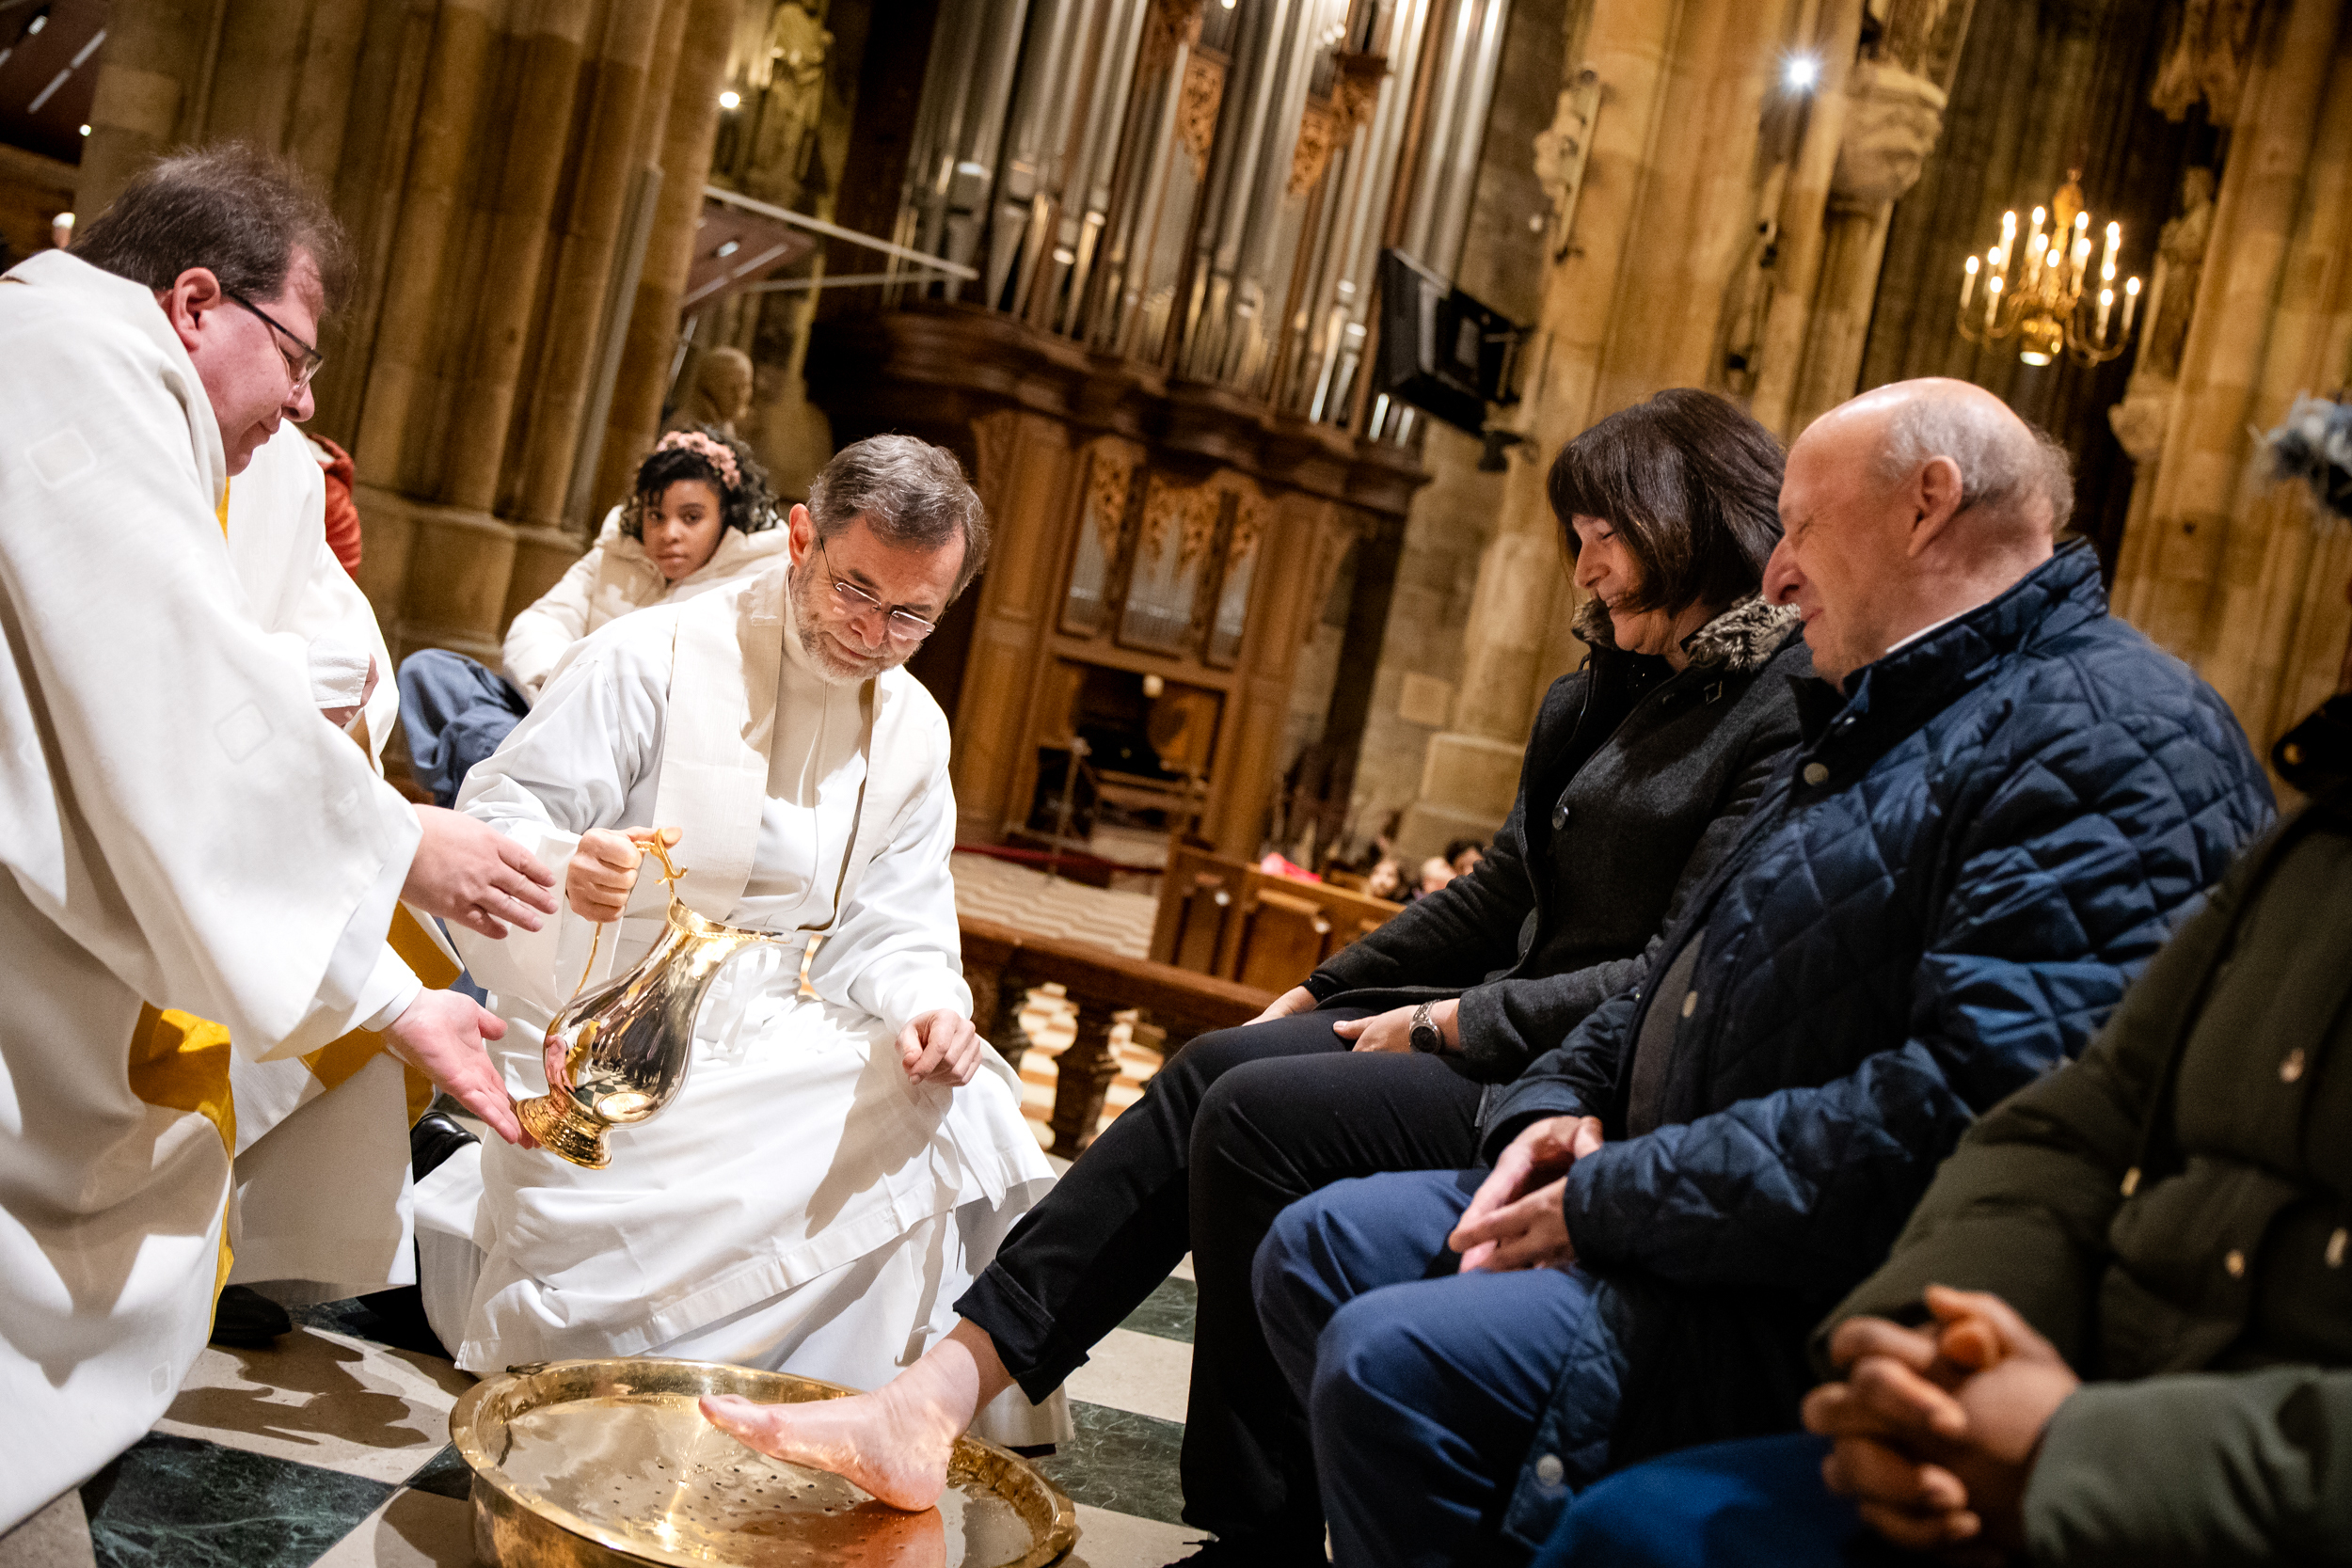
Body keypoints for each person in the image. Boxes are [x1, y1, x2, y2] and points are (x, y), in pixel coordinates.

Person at [693, 388, 1815, 1557]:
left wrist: (1451, 1021)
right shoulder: (1595, 690)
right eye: (1574, 537)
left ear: (1684, 517)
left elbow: (1668, 968)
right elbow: (1495, 894)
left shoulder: (1780, 707)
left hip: (1577, 1070)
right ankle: (938, 1393)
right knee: (1212, 1067)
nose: (1582, 569)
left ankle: (1255, 1530)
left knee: (1253, 1119)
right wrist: (1328, 985)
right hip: (1502, 1024)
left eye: (1603, 535)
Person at [1249, 378, 2276, 1566]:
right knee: (1318, 1246)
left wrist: (1614, 1197)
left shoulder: (2111, 735)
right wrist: (1556, 1103)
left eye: (1800, 527)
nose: (1775, 574)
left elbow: (1964, 1105)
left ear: (1926, 505)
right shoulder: (1875, 702)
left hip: (1799, 1278)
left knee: (1390, 1360)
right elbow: (1678, 956)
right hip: (1668, 1186)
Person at [0, 146, 546, 1556]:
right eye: (297, 355)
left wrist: (387, 976)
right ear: (195, 302)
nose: (306, 400)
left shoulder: (62, 350)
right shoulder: (79, 369)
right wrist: (398, 871)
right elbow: (176, 705)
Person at [417, 436, 1066, 1448]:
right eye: (855, 588)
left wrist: (925, 1006)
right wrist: (566, 862)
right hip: (611, 1026)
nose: (873, 632)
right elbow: (498, 818)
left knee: (962, 1099)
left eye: (912, 614)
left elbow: (896, 920)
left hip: (780, 1027)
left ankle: (833, 1417)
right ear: (802, 537)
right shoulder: (652, 656)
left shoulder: (913, 729)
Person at [1534, 773, 2352, 1568]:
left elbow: (1950, 1092)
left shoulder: (2104, 745)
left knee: (1624, 1514)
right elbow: (2075, 1125)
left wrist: (2065, 1450)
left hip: (2169, 1467)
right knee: (1636, 1524)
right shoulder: (2318, 830)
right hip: (1982, 1388)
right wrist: (1943, 1353)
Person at [396, 427, 787, 805]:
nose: (669, 533)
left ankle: (494, 787)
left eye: (691, 517)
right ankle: (515, 783)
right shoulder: (614, 553)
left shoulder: (752, 585)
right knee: (430, 673)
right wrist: (562, 699)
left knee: (474, 734)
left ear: (726, 517)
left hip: (629, 751)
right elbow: (542, 623)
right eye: (655, 516)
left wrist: (588, 715)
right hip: (552, 709)